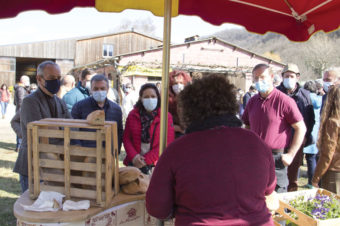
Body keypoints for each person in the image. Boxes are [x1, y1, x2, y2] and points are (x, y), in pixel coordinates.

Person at [146, 75, 276, 225]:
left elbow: (157, 208)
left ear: (188, 109)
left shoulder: (177, 150)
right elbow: (269, 188)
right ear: (230, 104)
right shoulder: (256, 142)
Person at [242, 64, 306, 193]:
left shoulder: (284, 101)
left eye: (262, 77)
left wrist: (291, 154)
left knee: (277, 197)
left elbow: (301, 128)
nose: (258, 81)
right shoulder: (252, 101)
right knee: (254, 193)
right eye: (255, 78)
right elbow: (247, 125)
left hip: (276, 158)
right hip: (255, 156)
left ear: (271, 77)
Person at [13, 61, 70, 193]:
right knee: (33, 205)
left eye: (58, 78)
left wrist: (57, 129)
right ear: (39, 79)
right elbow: (39, 134)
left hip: (54, 163)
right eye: (51, 78)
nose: (56, 82)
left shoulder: (60, 102)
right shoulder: (30, 101)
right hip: (33, 166)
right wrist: (26, 136)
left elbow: (72, 127)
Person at [277, 63, 315, 191]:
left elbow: (310, 119)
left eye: (292, 76)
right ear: (282, 77)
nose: (289, 78)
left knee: (293, 176)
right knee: (277, 175)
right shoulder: (276, 93)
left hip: (297, 141)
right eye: (286, 76)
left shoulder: (305, 95)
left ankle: (290, 205)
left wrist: (305, 137)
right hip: (279, 142)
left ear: (297, 77)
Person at [123, 83, 175, 174]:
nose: (150, 99)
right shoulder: (132, 115)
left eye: (153, 96)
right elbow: (126, 138)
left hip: (156, 164)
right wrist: (134, 156)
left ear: (158, 98)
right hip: (134, 162)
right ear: (141, 99)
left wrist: (146, 160)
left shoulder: (166, 116)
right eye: (146, 97)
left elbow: (167, 141)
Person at [71, 74, 123, 151]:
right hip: (86, 154)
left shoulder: (116, 109)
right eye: (95, 89)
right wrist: (80, 152)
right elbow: (73, 130)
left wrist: (115, 151)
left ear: (108, 89)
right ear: (91, 89)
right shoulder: (79, 107)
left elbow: (119, 133)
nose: (99, 91)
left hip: (107, 154)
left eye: (102, 88)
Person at [312, 84, 340, 195]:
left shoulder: (333, 122)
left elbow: (327, 154)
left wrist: (315, 178)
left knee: (332, 208)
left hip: (334, 173)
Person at [303, 81, 322, 188]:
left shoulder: (305, 98)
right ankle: (313, 181)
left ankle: (310, 182)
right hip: (317, 130)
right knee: (313, 158)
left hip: (308, 130)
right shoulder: (320, 99)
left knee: (308, 159)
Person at [168, 70, 192, 138]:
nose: (178, 86)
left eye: (181, 83)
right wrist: (175, 128)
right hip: (172, 135)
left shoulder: (190, 99)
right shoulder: (166, 101)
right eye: (175, 83)